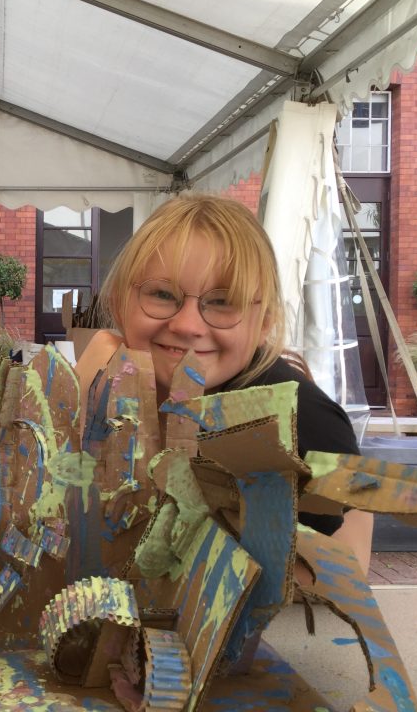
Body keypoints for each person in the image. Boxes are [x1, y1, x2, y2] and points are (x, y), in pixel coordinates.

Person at [75, 192, 373, 574]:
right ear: (119, 303)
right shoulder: (110, 381)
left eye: (222, 302)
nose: (186, 325)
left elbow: (345, 567)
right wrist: (86, 391)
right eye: (162, 295)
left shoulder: (305, 418)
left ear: (264, 322)